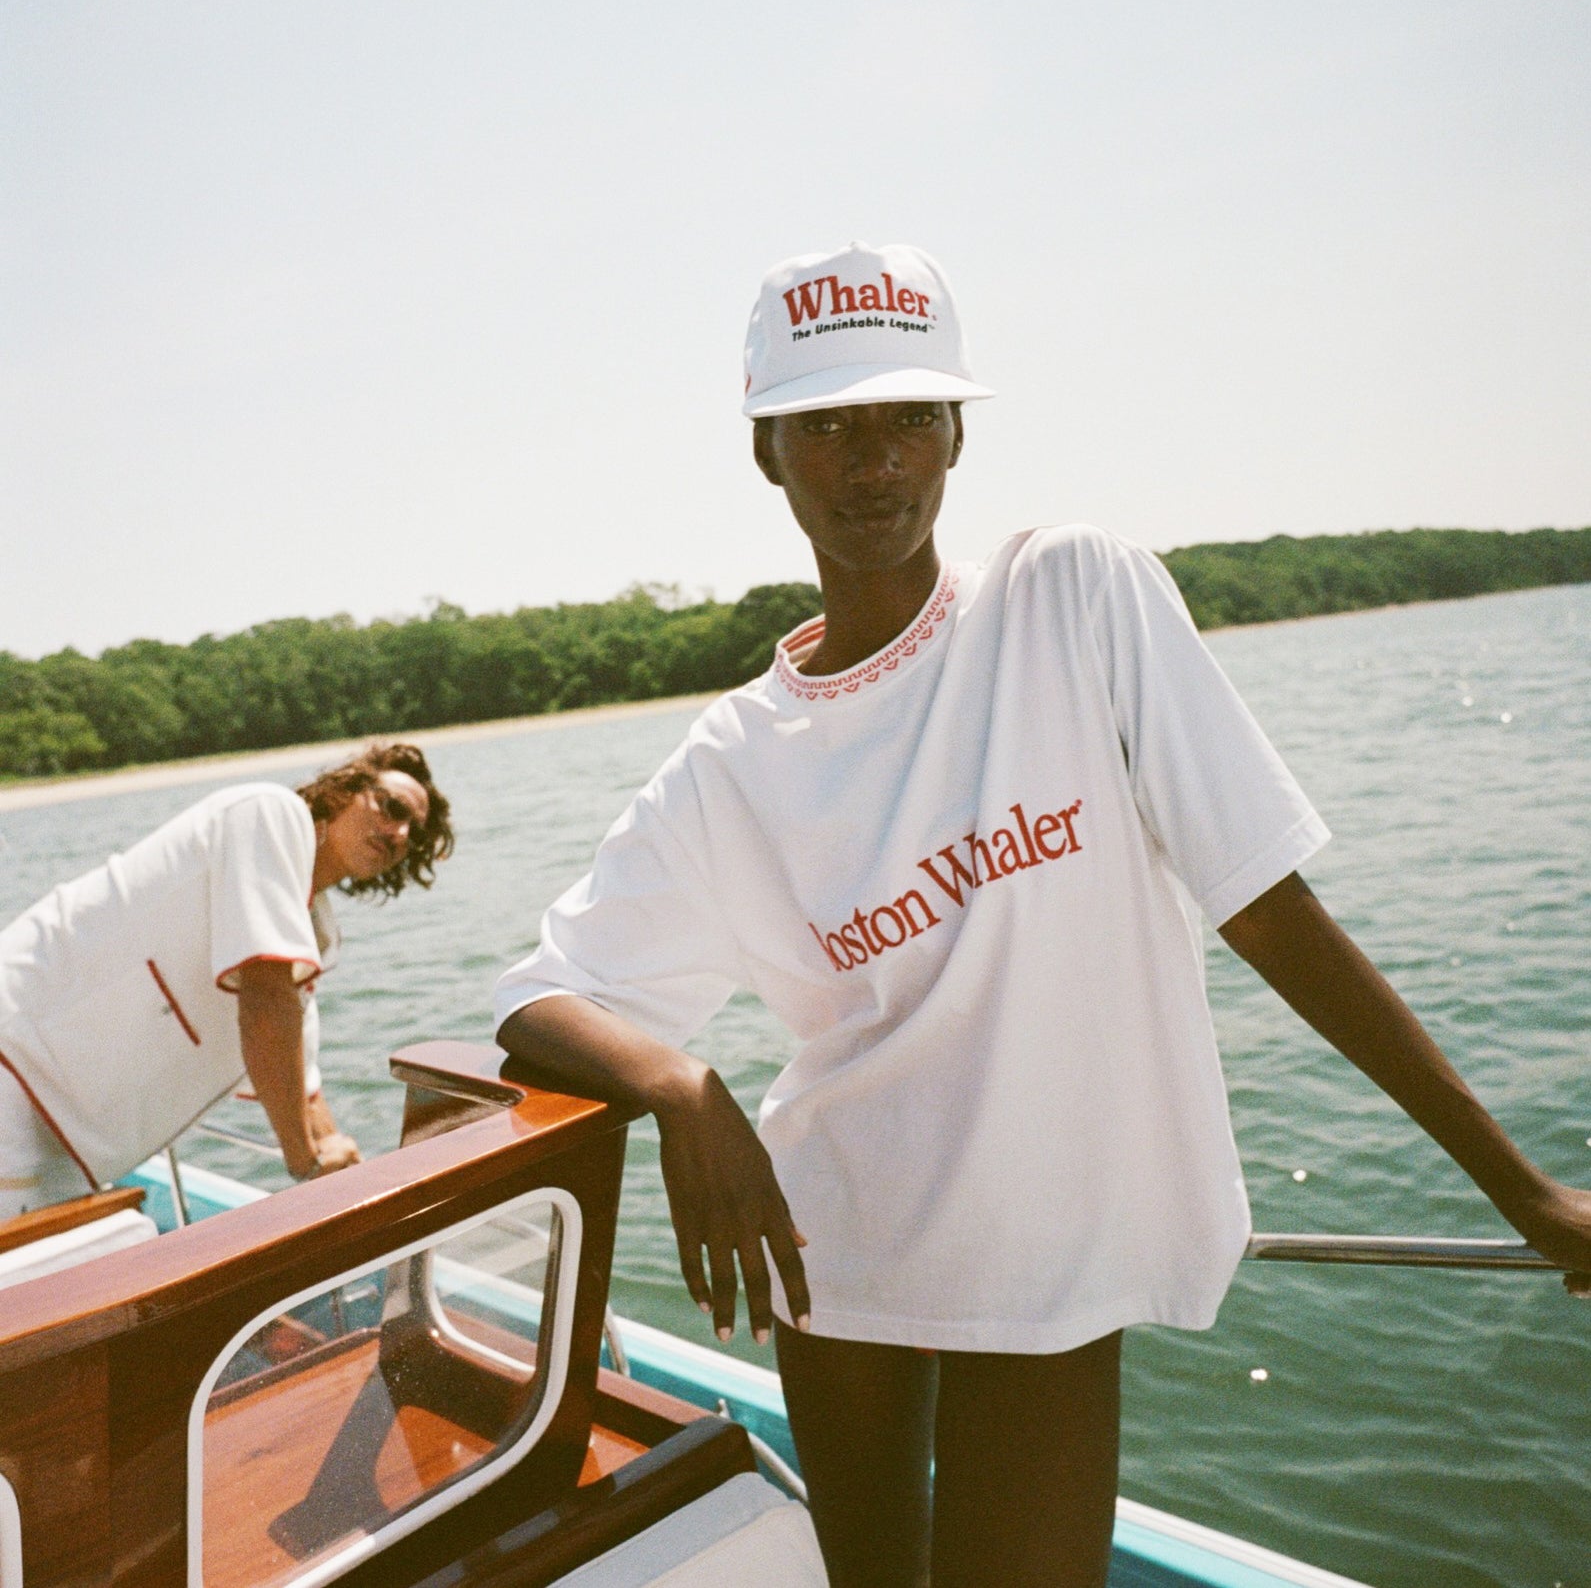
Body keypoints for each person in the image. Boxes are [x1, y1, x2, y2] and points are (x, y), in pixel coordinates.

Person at [494, 242, 1591, 1588]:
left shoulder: (1072, 594)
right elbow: (537, 994)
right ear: (766, 453)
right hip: (832, 1259)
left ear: (955, 429)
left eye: (904, 414)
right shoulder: (732, 759)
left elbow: (1262, 905)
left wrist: (1523, 1191)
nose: (871, 458)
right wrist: (678, 1081)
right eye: (825, 424)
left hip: (1039, 1265)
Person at [0, 741, 453, 1217]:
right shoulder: (270, 814)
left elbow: (300, 1076)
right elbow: (265, 1001)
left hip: (67, 1141)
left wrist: (346, 1170)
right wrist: (305, 1160)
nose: (399, 832)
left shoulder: (309, 929)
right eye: (392, 807)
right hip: (16, 1064)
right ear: (344, 790)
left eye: (413, 832)